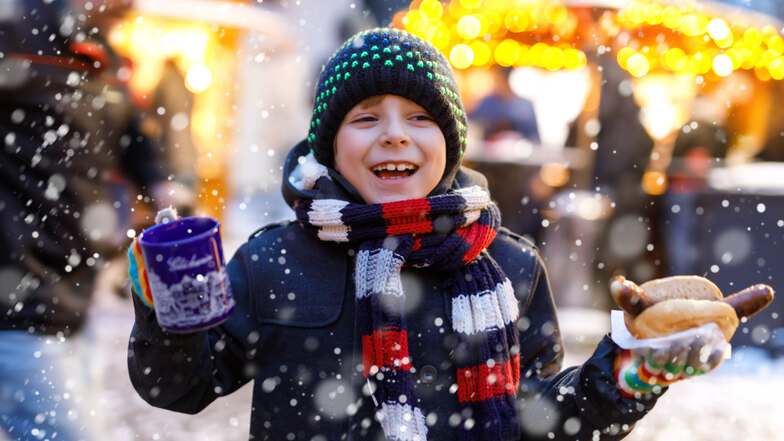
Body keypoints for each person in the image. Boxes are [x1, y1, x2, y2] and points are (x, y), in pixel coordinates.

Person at [127, 28, 726, 440]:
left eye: (420, 118)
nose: (394, 135)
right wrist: (165, 314)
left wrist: (628, 374)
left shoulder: (511, 266)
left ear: (451, 145)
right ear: (331, 147)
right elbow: (182, 388)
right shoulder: (273, 260)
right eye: (366, 119)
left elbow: (538, 421)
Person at [0, 1, 189, 440]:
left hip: (73, 290)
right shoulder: (13, 31)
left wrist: (160, 181)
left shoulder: (98, 47)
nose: (129, 8)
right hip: (17, 299)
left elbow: (127, 129)